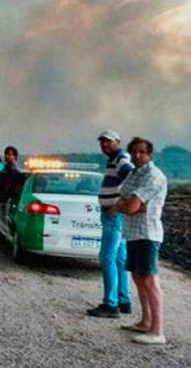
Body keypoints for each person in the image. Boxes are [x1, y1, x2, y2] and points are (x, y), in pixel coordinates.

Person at [115, 137, 168, 345]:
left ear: (149, 154)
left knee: (150, 280)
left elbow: (128, 206)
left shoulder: (154, 176)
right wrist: (128, 204)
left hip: (148, 233)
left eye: (142, 152)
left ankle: (158, 330)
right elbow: (124, 199)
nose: (137, 155)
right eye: (134, 152)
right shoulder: (134, 173)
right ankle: (146, 321)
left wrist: (127, 204)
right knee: (138, 277)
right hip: (133, 233)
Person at [87, 130, 134, 319]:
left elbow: (132, 177)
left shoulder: (121, 159)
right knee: (120, 259)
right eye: (102, 142)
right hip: (116, 216)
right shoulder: (113, 159)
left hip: (114, 216)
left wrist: (120, 202)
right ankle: (124, 300)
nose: (104, 145)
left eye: (108, 142)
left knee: (107, 257)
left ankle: (110, 304)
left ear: (117, 142)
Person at [0, 146, 22, 239]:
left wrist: (0, 196)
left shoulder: (13, 169)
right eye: (6, 154)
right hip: (3, 198)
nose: (7, 156)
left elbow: (9, 185)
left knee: (4, 219)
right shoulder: (7, 167)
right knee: (2, 219)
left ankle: (9, 238)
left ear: (15, 156)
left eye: (10, 155)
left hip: (5, 199)